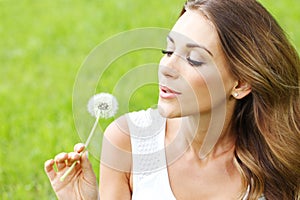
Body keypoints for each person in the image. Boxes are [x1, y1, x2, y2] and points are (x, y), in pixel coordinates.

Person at [44, 0, 300, 199]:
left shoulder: (280, 158)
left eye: (194, 59)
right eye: (168, 50)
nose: (167, 67)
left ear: (241, 83)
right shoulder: (127, 142)